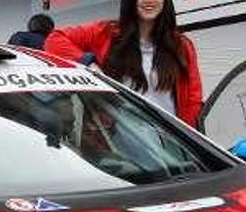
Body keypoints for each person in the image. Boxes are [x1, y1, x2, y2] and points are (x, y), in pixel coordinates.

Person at [45, 0, 203, 127]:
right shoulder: (105, 33)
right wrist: (89, 64)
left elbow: (193, 99)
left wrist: (188, 140)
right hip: (119, 141)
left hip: (169, 140)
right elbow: (54, 40)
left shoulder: (182, 45)